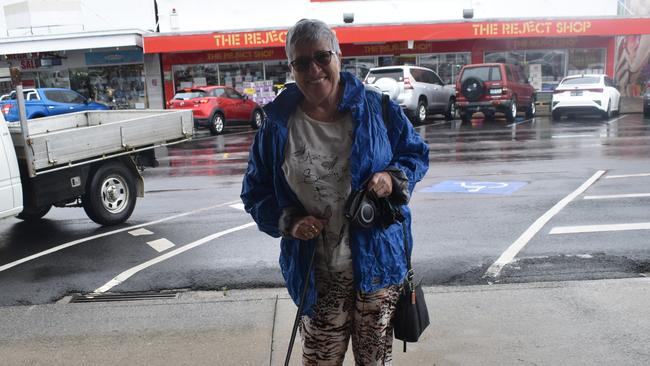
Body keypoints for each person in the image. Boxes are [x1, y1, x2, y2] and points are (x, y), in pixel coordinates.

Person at [241, 19, 429, 365]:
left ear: (338, 55)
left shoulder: (377, 109)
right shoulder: (277, 126)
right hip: (318, 272)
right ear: (291, 68)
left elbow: (415, 154)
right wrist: (290, 222)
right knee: (319, 361)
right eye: (301, 62)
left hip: (380, 265)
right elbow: (255, 193)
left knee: (374, 362)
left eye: (322, 57)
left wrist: (391, 178)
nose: (314, 69)